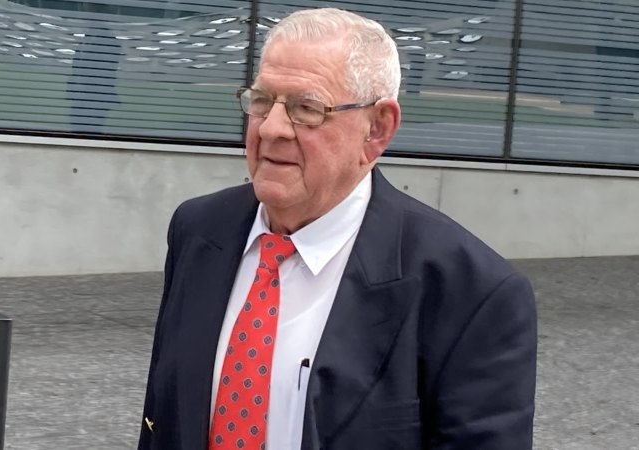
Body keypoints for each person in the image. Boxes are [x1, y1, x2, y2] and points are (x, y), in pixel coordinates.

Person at [138, 8, 536, 450]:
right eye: (261, 100)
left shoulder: (471, 292)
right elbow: (164, 415)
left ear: (377, 130)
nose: (271, 128)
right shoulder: (198, 230)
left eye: (306, 109)